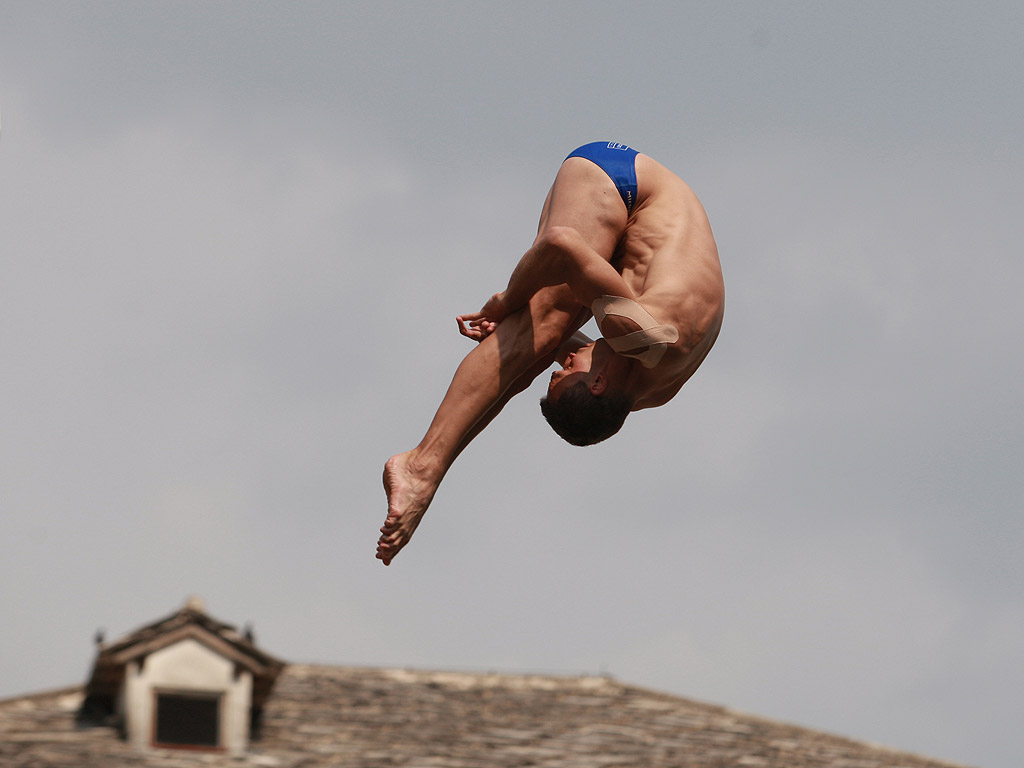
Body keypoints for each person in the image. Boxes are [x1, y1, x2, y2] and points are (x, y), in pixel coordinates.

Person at [376, 141, 724, 565]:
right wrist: (506, 302)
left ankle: (428, 469)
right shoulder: (637, 334)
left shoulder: (650, 389)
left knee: (536, 343)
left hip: (638, 221)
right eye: (567, 370)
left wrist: (525, 339)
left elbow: (570, 351)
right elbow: (560, 246)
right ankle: (421, 467)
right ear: (598, 383)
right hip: (621, 184)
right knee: (542, 328)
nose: (565, 360)